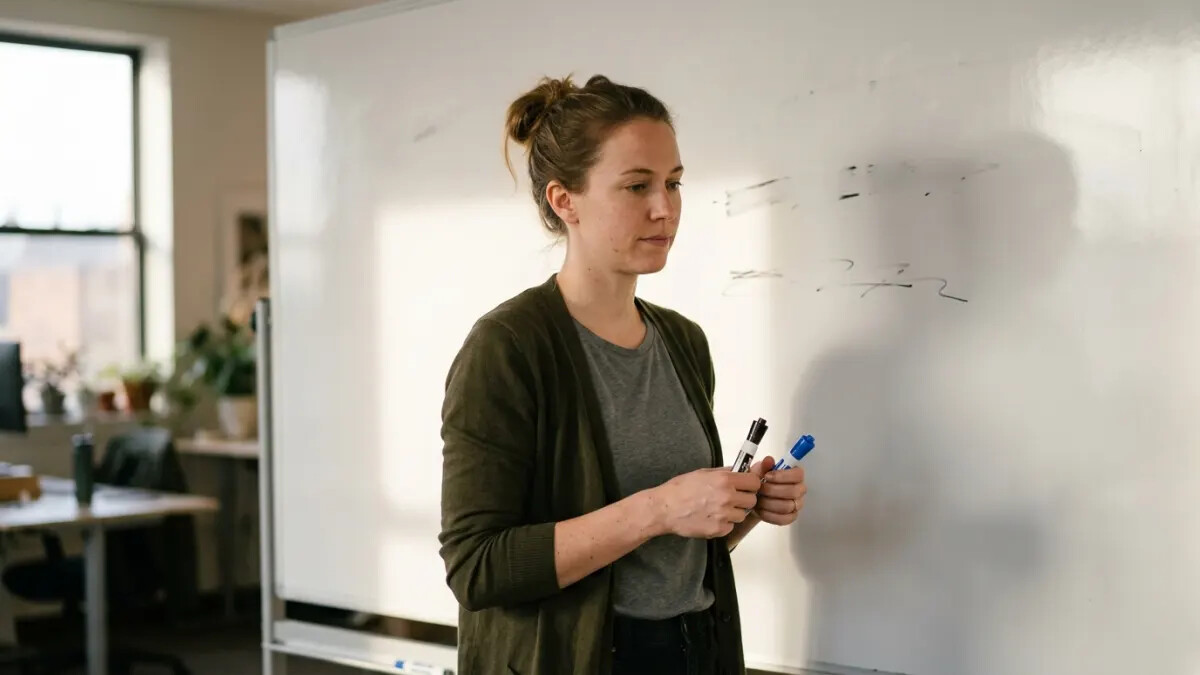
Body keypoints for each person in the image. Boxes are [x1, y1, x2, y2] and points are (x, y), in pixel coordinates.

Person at [438, 74, 808, 675]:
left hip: (696, 651)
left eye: (673, 183)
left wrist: (738, 508)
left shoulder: (682, 341)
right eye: (636, 186)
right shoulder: (508, 348)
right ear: (565, 201)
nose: (665, 208)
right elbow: (477, 567)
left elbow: (671, 556)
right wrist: (660, 508)